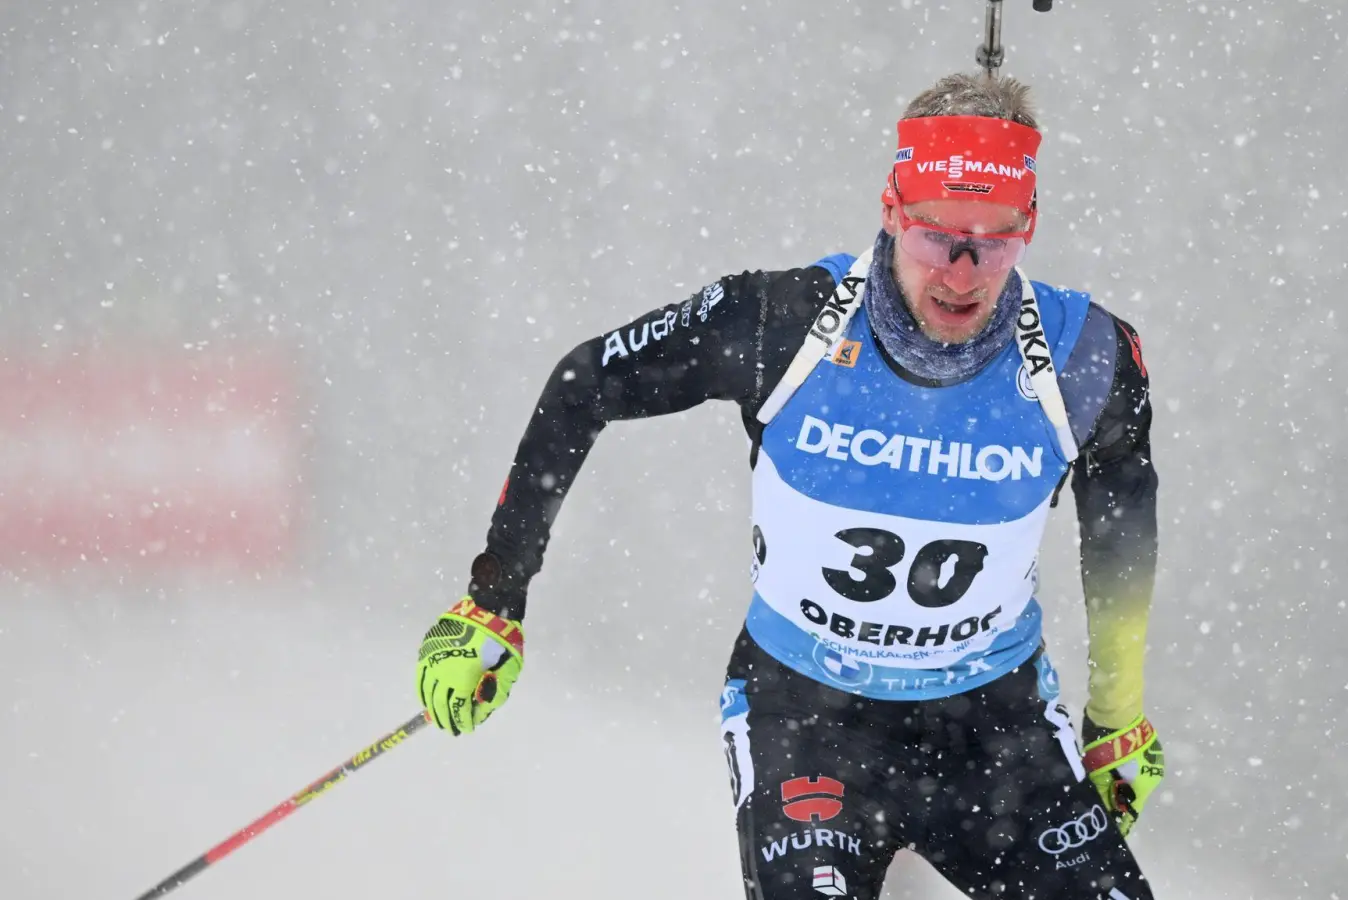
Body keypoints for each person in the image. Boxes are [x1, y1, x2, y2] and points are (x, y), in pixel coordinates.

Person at [413, 72, 1164, 900]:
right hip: (808, 722)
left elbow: (1120, 530)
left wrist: (1116, 716)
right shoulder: (786, 322)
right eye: (933, 237)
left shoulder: (1085, 356)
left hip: (996, 732)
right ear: (890, 210)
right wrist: (495, 597)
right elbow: (585, 380)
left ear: (1031, 229)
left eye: (993, 242)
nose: (960, 272)